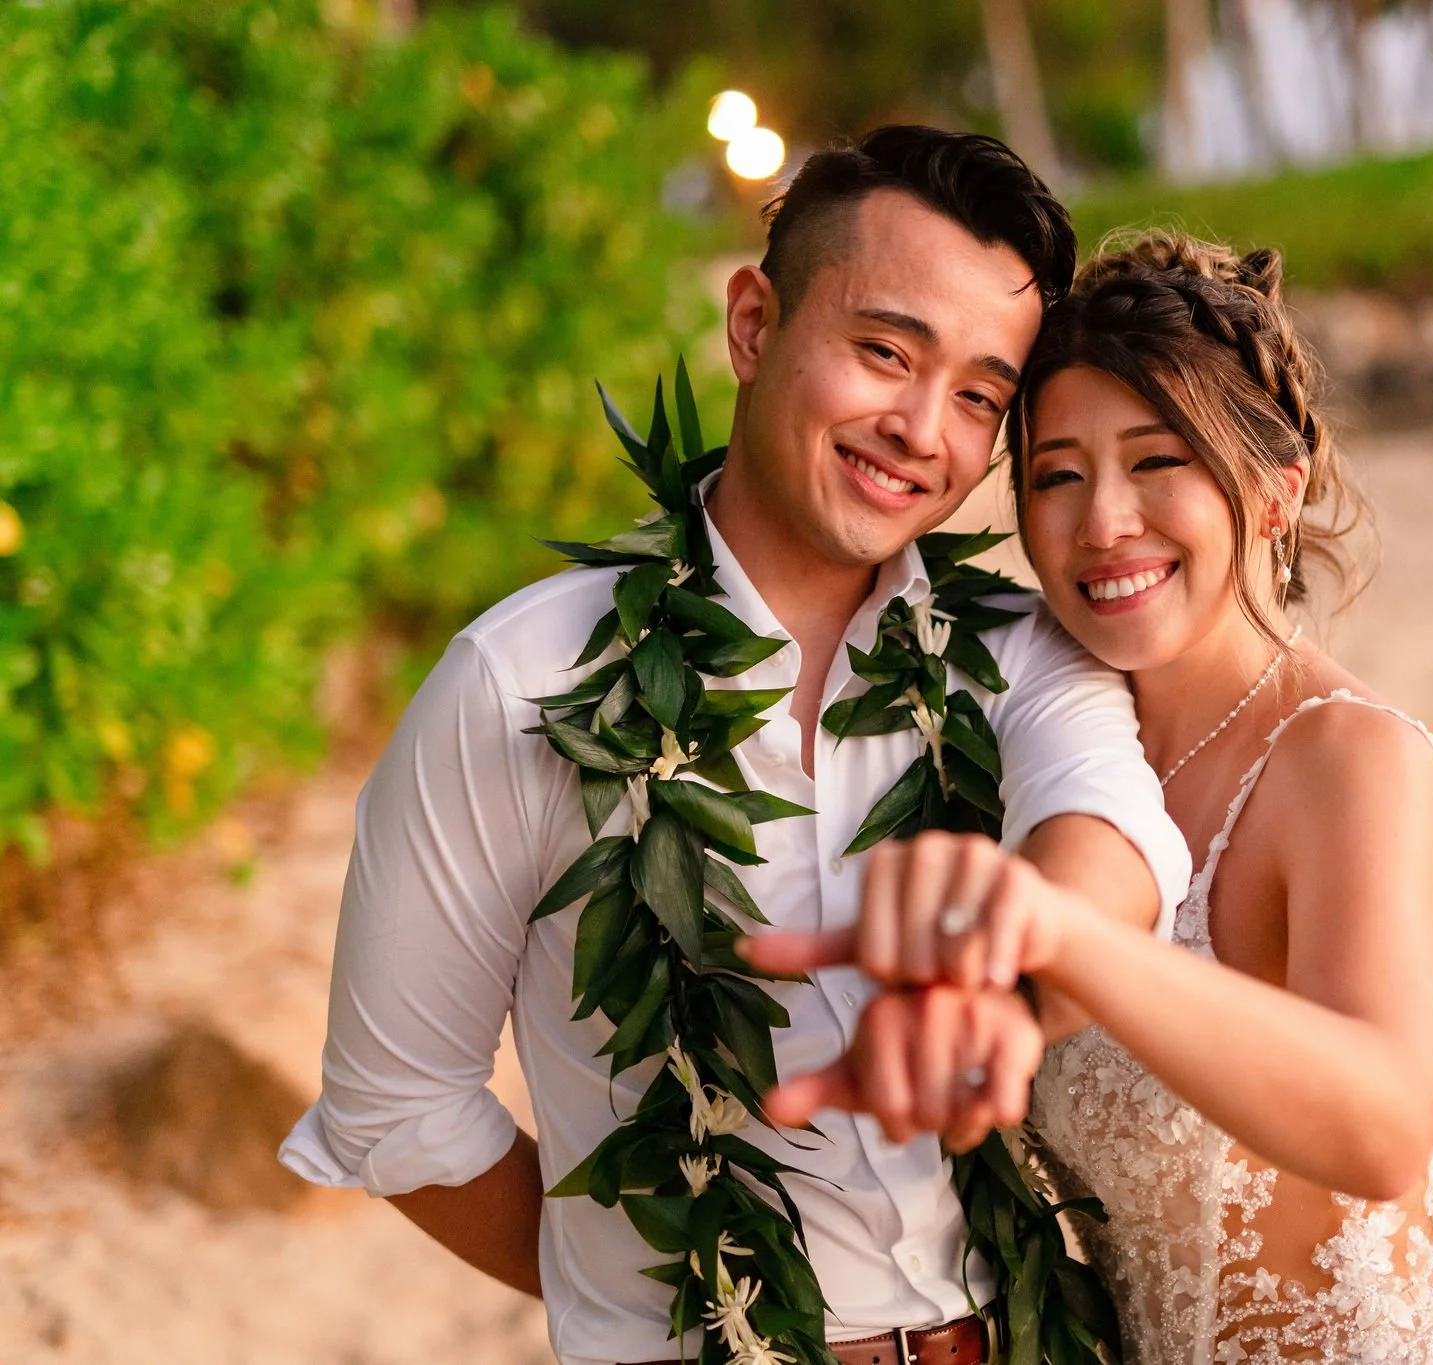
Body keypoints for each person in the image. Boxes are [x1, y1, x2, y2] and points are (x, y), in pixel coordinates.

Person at [278, 127, 1192, 1365]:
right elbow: (397, 1108)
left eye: (978, 396)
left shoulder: (1016, 646)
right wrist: (651, 1299)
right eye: (883, 351)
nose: (922, 429)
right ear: (754, 323)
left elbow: (1109, 834)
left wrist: (1019, 981)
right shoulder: (519, 684)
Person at [751, 234, 1433, 1363]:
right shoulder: (1050, 755)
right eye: (1056, 474)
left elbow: (1383, 1124)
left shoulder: (1348, 759)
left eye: (1156, 463)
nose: (1102, 522)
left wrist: (1067, 934)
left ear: (1270, 494)